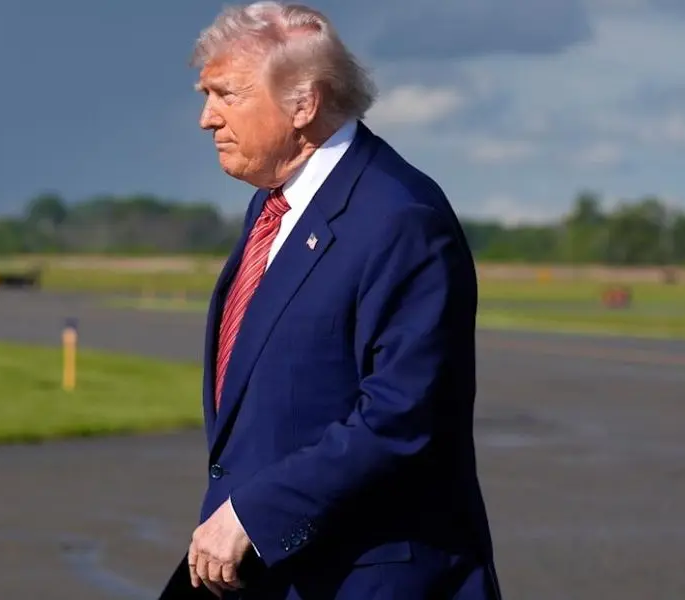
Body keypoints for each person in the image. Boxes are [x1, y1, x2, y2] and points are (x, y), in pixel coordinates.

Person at [164, 2, 503, 598]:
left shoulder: (400, 218)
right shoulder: (278, 203)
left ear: (304, 103)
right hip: (271, 570)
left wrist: (253, 515)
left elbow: (402, 417)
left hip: (364, 578)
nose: (205, 118)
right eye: (205, 94)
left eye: (226, 95)